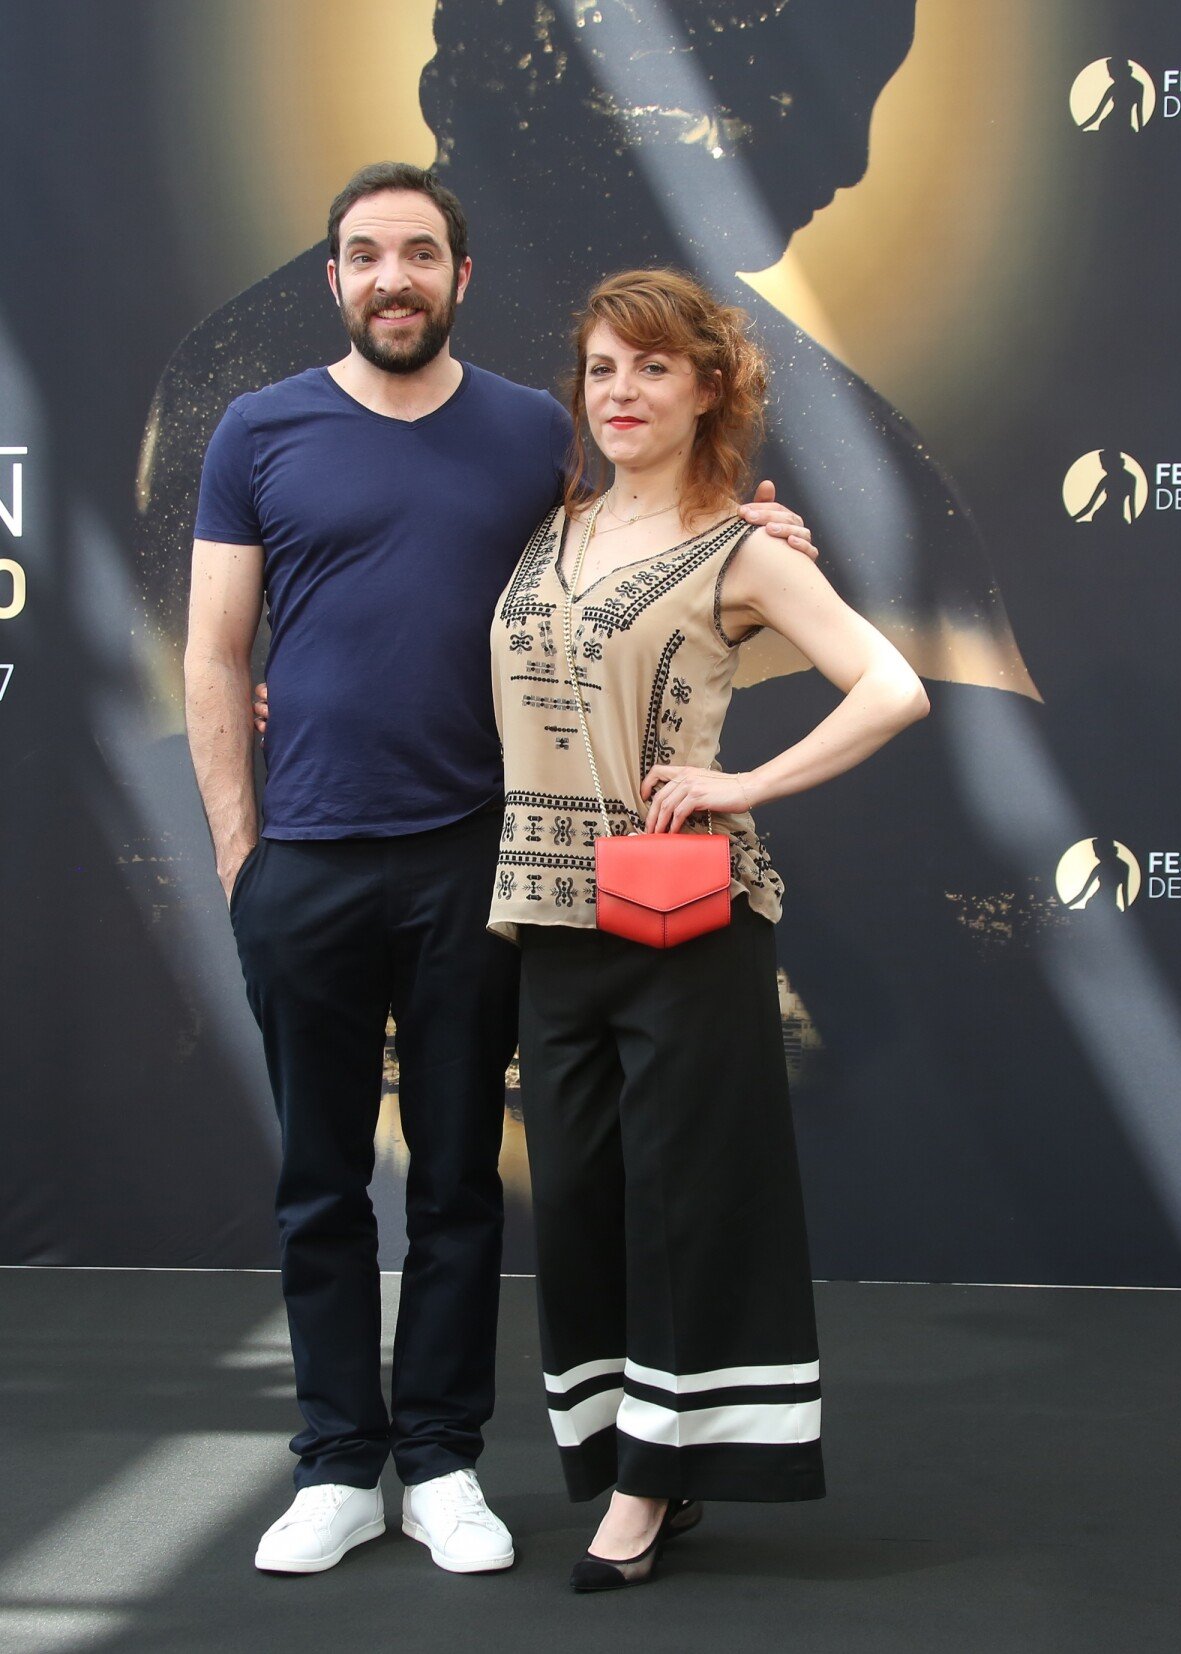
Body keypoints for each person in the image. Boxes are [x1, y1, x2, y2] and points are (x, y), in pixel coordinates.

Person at [184, 161, 815, 1578]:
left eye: (419, 252)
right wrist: (239, 851)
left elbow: (636, 546)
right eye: (364, 254)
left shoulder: (537, 431)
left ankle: (447, 1457)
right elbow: (216, 653)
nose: (391, 276)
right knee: (318, 1180)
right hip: (305, 860)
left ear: (460, 279)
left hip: (482, 860)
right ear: (333, 278)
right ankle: (341, 1461)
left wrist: (752, 532)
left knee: (464, 1176)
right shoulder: (257, 429)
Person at [488, 268, 929, 1590]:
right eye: (602, 370)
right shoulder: (543, 529)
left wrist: (742, 782)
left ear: (709, 388)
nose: (621, 392)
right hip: (548, 918)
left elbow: (894, 685)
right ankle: (638, 1452)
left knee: (678, 1206)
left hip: (684, 916)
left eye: (653, 369)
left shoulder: (742, 548)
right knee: (573, 1204)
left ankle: (646, 1485)